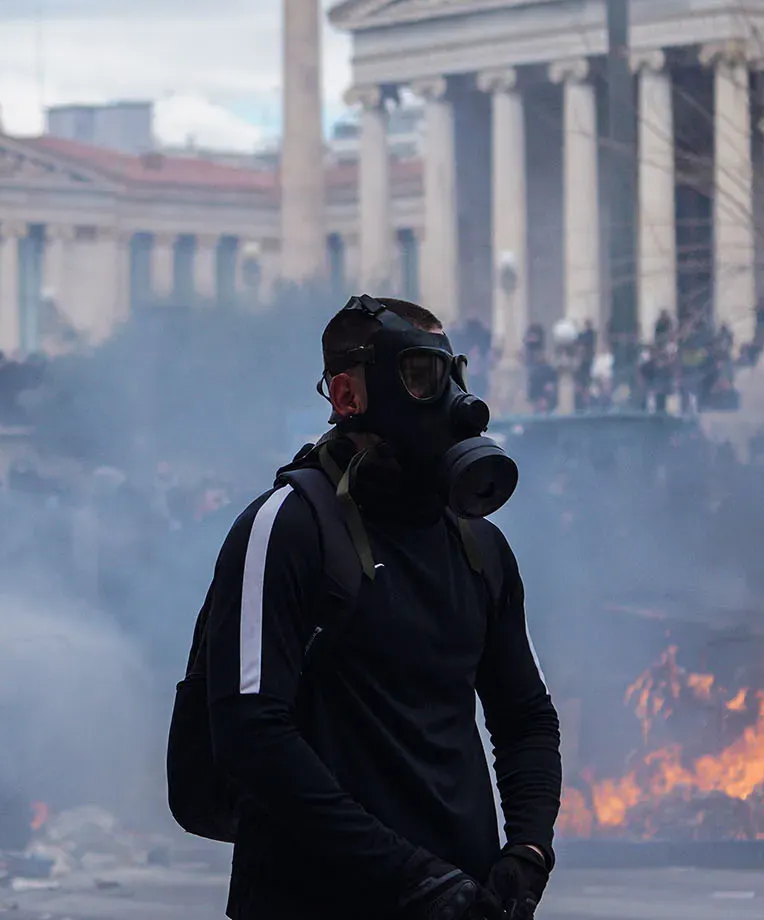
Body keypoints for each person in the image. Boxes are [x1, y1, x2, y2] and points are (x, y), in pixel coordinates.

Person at [199, 296, 561, 920]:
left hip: (461, 900)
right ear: (346, 397)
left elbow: (525, 716)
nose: (450, 402)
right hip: (313, 900)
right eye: (418, 376)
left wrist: (527, 852)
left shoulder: (479, 545)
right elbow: (251, 733)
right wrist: (407, 875)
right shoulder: (284, 529)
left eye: (452, 376)